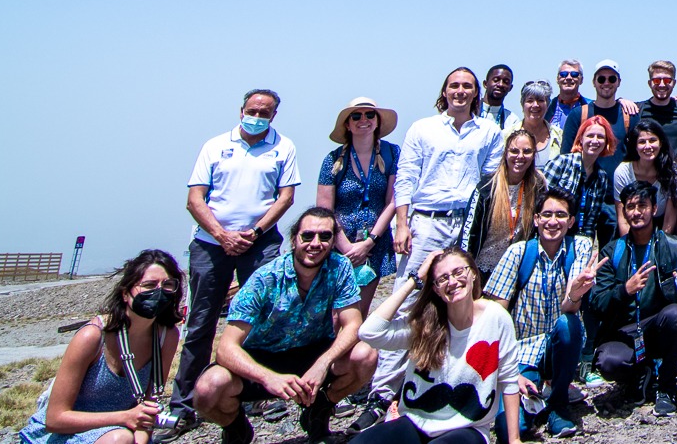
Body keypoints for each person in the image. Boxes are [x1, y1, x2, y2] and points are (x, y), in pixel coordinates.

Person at [192, 209, 376, 444]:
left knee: (366, 355)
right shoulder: (265, 278)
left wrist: (323, 363)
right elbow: (226, 348)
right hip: (261, 356)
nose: (316, 244)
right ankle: (236, 428)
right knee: (209, 389)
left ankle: (319, 409)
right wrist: (268, 377)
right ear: (294, 239)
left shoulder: (339, 268)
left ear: (333, 241)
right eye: (308, 236)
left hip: (312, 351)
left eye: (325, 236)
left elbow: (353, 325)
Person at [170, 89, 299, 425]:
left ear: (274, 115)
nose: (258, 115)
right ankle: (184, 405)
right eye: (253, 109)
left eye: (265, 112)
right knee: (200, 324)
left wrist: (254, 233)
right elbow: (195, 198)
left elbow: (285, 198)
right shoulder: (214, 146)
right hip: (211, 245)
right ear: (241, 109)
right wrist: (222, 235)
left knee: (263, 320)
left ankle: (260, 396)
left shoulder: (283, 147)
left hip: (259, 243)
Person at [357, 248, 522, 444]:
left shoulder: (496, 317)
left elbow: (509, 378)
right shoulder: (425, 323)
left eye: (459, 272)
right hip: (416, 422)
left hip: (468, 428)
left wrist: (514, 440)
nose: (452, 282)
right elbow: (369, 332)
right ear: (435, 288)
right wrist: (415, 279)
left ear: (473, 274)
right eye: (442, 279)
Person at [21, 250, 183, 444]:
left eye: (168, 285)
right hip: (65, 433)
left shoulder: (166, 337)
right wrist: (125, 418)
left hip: (121, 433)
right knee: (119, 438)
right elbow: (55, 418)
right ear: (125, 293)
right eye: (149, 285)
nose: (159, 292)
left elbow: (147, 411)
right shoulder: (94, 336)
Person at [483, 191, 603, 439]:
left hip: (556, 347)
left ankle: (557, 404)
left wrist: (575, 294)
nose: (553, 221)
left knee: (568, 324)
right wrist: (509, 374)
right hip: (520, 353)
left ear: (570, 221)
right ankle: (534, 391)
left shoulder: (579, 247)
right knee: (509, 430)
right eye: (546, 214)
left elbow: (569, 311)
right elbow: (494, 317)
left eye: (561, 215)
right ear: (536, 219)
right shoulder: (519, 253)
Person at [590, 184, 677, 416]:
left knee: (676, 315)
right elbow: (597, 303)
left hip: (658, 327)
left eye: (642, 206)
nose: (637, 212)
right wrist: (624, 290)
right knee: (608, 363)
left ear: (654, 208)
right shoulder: (612, 251)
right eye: (631, 207)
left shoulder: (673, 246)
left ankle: (667, 388)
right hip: (624, 333)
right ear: (624, 212)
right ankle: (640, 374)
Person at [395, 68, 505, 279]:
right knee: (410, 292)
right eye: (454, 86)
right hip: (427, 223)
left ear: (476, 93)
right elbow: (405, 177)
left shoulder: (489, 131)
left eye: (467, 86)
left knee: (460, 293)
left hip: (467, 224)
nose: (460, 91)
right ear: (444, 92)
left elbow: (490, 183)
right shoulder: (422, 128)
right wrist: (401, 226)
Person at [317, 98, 401, 317]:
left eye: (369, 115)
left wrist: (368, 243)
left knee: (358, 313)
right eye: (356, 116)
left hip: (374, 245)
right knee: (334, 315)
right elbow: (324, 211)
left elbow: (392, 201)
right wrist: (346, 248)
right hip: (338, 246)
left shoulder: (392, 153)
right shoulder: (333, 160)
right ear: (347, 124)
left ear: (377, 121)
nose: (363, 120)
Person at [461, 129, 544, 281]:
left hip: (513, 270)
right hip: (480, 270)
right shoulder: (486, 187)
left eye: (526, 151)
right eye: (514, 151)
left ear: (533, 155)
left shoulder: (537, 187)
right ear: (505, 153)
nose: (520, 156)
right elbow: (468, 233)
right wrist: (465, 269)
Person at [541, 117, 616, 249]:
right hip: (550, 237)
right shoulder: (561, 163)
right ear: (581, 138)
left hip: (577, 243)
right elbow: (540, 202)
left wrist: (585, 246)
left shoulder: (601, 177)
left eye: (600, 137)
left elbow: (591, 221)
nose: (595, 141)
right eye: (590, 136)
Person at [561, 62, 637, 173]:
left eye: (612, 79)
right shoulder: (578, 114)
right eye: (601, 79)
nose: (606, 83)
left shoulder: (629, 115)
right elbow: (566, 154)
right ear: (594, 82)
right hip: (584, 186)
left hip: (620, 188)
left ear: (619, 82)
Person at [612, 119, 677, 235]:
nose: (648, 146)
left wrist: (660, 248)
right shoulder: (622, 172)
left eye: (652, 140)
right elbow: (623, 218)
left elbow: (669, 220)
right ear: (635, 146)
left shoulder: (673, 172)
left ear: (661, 143)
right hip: (630, 231)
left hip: (660, 231)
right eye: (642, 142)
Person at [508, 81, 562, 165]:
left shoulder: (559, 136)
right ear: (522, 104)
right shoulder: (507, 135)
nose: (535, 105)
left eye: (540, 100)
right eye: (530, 101)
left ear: (547, 105)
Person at [547, 61, 588, 133]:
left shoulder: (590, 107)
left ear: (581, 80)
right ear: (557, 79)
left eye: (574, 74)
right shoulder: (547, 108)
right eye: (563, 74)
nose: (569, 78)